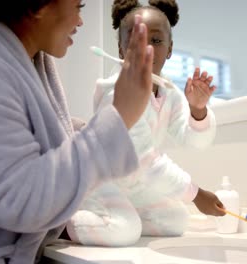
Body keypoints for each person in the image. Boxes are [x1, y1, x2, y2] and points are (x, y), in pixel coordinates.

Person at [0, 0, 155, 263]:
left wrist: (85, 130)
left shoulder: (22, 60)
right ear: (38, 5)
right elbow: (20, 201)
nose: (80, 21)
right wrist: (118, 118)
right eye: (78, 6)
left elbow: (24, 133)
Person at [66, 0, 226, 247]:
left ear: (170, 49)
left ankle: (129, 217)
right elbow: (144, 160)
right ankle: (65, 224)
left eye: (157, 40)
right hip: (100, 183)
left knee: (176, 220)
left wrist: (198, 111)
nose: (147, 49)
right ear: (121, 50)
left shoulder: (168, 92)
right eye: (136, 40)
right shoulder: (115, 92)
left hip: (134, 186)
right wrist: (196, 194)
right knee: (123, 231)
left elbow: (192, 139)